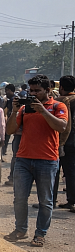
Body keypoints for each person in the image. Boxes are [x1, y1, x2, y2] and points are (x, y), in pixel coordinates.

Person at [4, 75, 68, 247]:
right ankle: (20, 229)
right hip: (23, 159)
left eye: (37, 91)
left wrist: (42, 111)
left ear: (48, 90)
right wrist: (14, 111)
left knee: (45, 201)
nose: (33, 94)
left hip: (47, 160)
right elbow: (10, 130)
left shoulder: (58, 106)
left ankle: (40, 234)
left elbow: (61, 127)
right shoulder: (25, 109)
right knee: (19, 198)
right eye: (31, 90)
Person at [56, 75, 75, 210]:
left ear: (61, 87)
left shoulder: (60, 101)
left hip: (64, 142)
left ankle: (51, 199)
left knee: (58, 172)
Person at [2, 84, 17, 156]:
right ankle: (3, 150)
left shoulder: (15, 99)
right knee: (6, 136)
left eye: (7, 91)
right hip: (9, 119)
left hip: (14, 120)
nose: (6, 93)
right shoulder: (9, 100)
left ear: (10, 91)